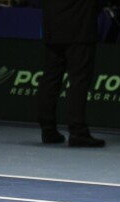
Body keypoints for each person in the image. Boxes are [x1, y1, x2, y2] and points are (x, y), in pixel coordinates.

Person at [37, 0, 106, 147]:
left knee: (51, 77)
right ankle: (78, 132)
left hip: (53, 26)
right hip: (80, 28)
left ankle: (48, 129)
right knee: (79, 80)